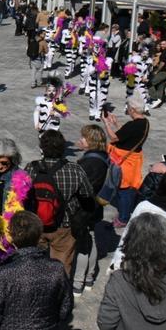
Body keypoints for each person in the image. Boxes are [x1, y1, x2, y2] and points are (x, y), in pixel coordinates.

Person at [0, 211, 73, 330]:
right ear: (39, 236)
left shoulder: (3, 274)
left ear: (11, 237)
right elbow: (65, 309)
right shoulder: (56, 269)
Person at [24, 130, 94, 274]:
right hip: (64, 225)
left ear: (42, 148)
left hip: (36, 225)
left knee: (33, 264)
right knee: (61, 267)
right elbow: (88, 196)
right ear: (63, 148)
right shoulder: (75, 170)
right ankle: (57, 292)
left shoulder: (31, 168)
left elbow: (20, 195)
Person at [102, 94, 150, 227]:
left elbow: (114, 138)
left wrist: (106, 123)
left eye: (128, 107)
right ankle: (126, 210)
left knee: (125, 189)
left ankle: (123, 218)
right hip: (134, 160)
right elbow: (127, 135)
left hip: (125, 162)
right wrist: (116, 123)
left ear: (133, 109)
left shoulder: (132, 125)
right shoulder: (144, 122)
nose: (127, 109)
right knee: (127, 188)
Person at [72, 125, 109, 295]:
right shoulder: (103, 157)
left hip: (84, 208)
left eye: (84, 137)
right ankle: (89, 278)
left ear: (91, 141)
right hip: (96, 207)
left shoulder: (89, 162)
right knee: (92, 240)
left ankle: (78, 282)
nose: (80, 139)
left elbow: (79, 187)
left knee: (83, 245)